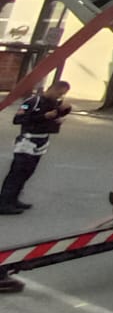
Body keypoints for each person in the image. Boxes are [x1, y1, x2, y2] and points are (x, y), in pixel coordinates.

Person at [0, 80, 72, 215]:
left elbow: (58, 114)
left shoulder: (55, 103)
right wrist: (43, 116)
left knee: (27, 173)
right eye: (59, 93)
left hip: (42, 140)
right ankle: (3, 202)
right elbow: (18, 119)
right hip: (28, 140)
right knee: (17, 173)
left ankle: (14, 199)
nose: (59, 97)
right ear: (53, 89)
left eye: (63, 94)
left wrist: (65, 110)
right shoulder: (33, 101)